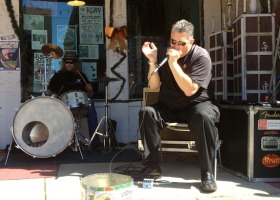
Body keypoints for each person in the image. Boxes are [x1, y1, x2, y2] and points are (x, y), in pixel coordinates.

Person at [139, 19, 220, 193]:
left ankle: (207, 173)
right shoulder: (164, 54)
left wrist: (173, 63)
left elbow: (190, 90)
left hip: (197, 105)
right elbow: (153, 86)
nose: (175, 47)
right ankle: (152, 167)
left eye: (181, 43)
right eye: (172, 42)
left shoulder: (200, 56)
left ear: (191, 42)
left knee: (204, 117)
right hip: (170, 106)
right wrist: (152, 60)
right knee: (147, 112)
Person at [48, 51, 100, 148]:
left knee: (92, 108)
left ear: (75, 63)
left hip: (80, 105)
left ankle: (95, 142)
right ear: (64, 63)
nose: (68, 64)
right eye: (66, 62)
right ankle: (56, 143)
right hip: (63, 107)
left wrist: (90, 90)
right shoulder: (58, 76)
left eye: (71, 62)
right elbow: (50, 93)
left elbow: (90, 95)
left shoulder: (81, 76)